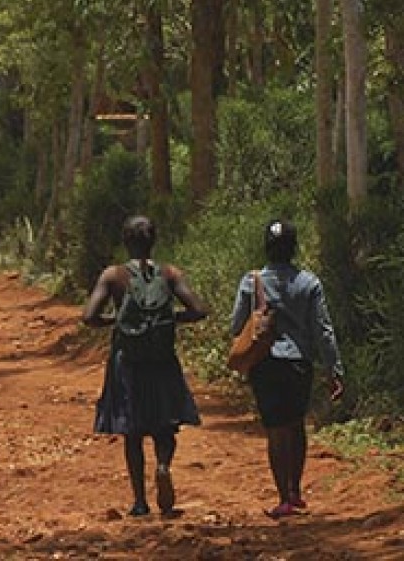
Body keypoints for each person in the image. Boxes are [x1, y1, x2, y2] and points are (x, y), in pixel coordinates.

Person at [83, 215, 208, 517]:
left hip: (128, 362)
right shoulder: (169, 273)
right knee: (165, 425)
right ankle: (163, 465)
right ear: (153, 241)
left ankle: (140, 501)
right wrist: (168, 320)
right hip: (162, 361)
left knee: (132, 431)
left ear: (126, 242)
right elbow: (199, 310)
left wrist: (118, 322)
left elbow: (89, 316)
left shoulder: (113, 276)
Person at [231, 218, 344, 519]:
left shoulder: (250, 281)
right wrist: (334, 368)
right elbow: (323, 330)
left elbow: (236, 325)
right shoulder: (310, 283)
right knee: (296, 424)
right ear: (294, 248)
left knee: (276, 430)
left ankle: (283, 498)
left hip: (265, 364)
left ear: (266, 248)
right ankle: (295, 491)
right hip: (299, 364)